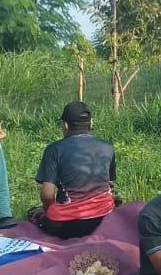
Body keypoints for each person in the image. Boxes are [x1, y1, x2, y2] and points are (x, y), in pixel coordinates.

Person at [32, 101, 117, 238]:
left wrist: (48, 211)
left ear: (65, 125)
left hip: (70, 224)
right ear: (91, 123)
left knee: (36, 217)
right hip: (104, 218)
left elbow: (47, 195)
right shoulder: (107, 147)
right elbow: (109, 183)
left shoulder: (54, 150)